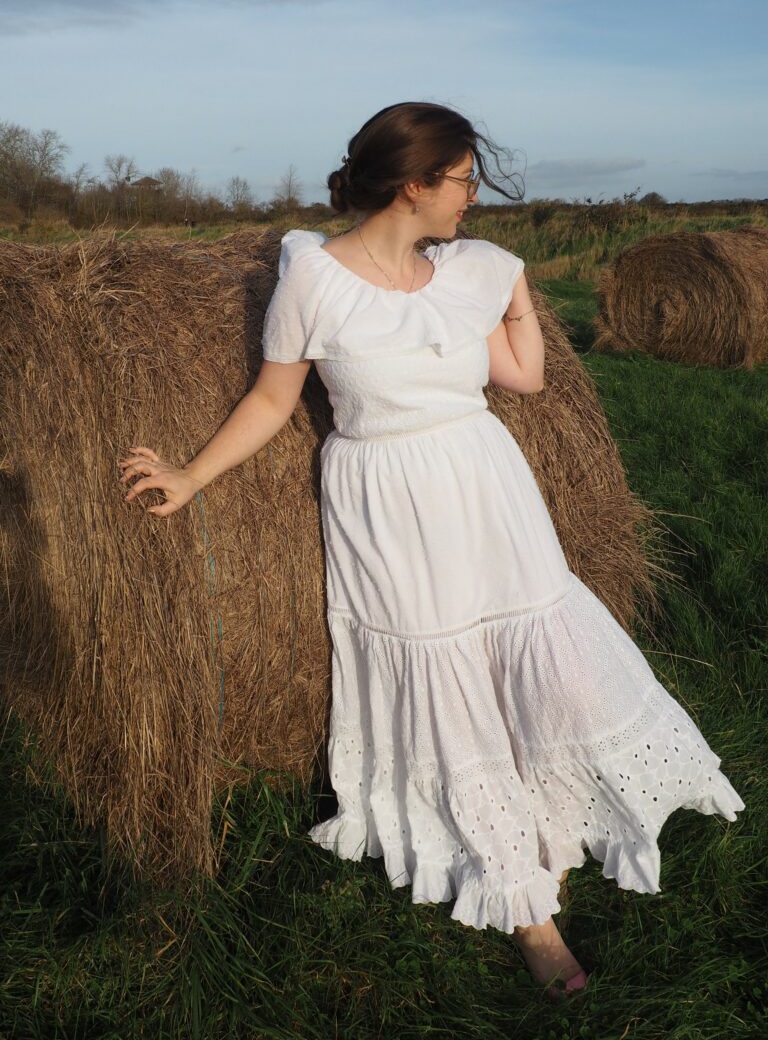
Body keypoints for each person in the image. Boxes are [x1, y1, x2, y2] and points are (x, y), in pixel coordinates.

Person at [118, 101, 745, 1002]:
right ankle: (526, 909)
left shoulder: (475, 270)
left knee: (545, 663)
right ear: (412, 185)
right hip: (387, 503)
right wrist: (190, 474)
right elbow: (271, 401)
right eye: (461, 180)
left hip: (488, 486)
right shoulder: (315, 282)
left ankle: (550, 819)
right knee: (444, 681)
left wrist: (520, 294)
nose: (473, 198)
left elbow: (521, 376)